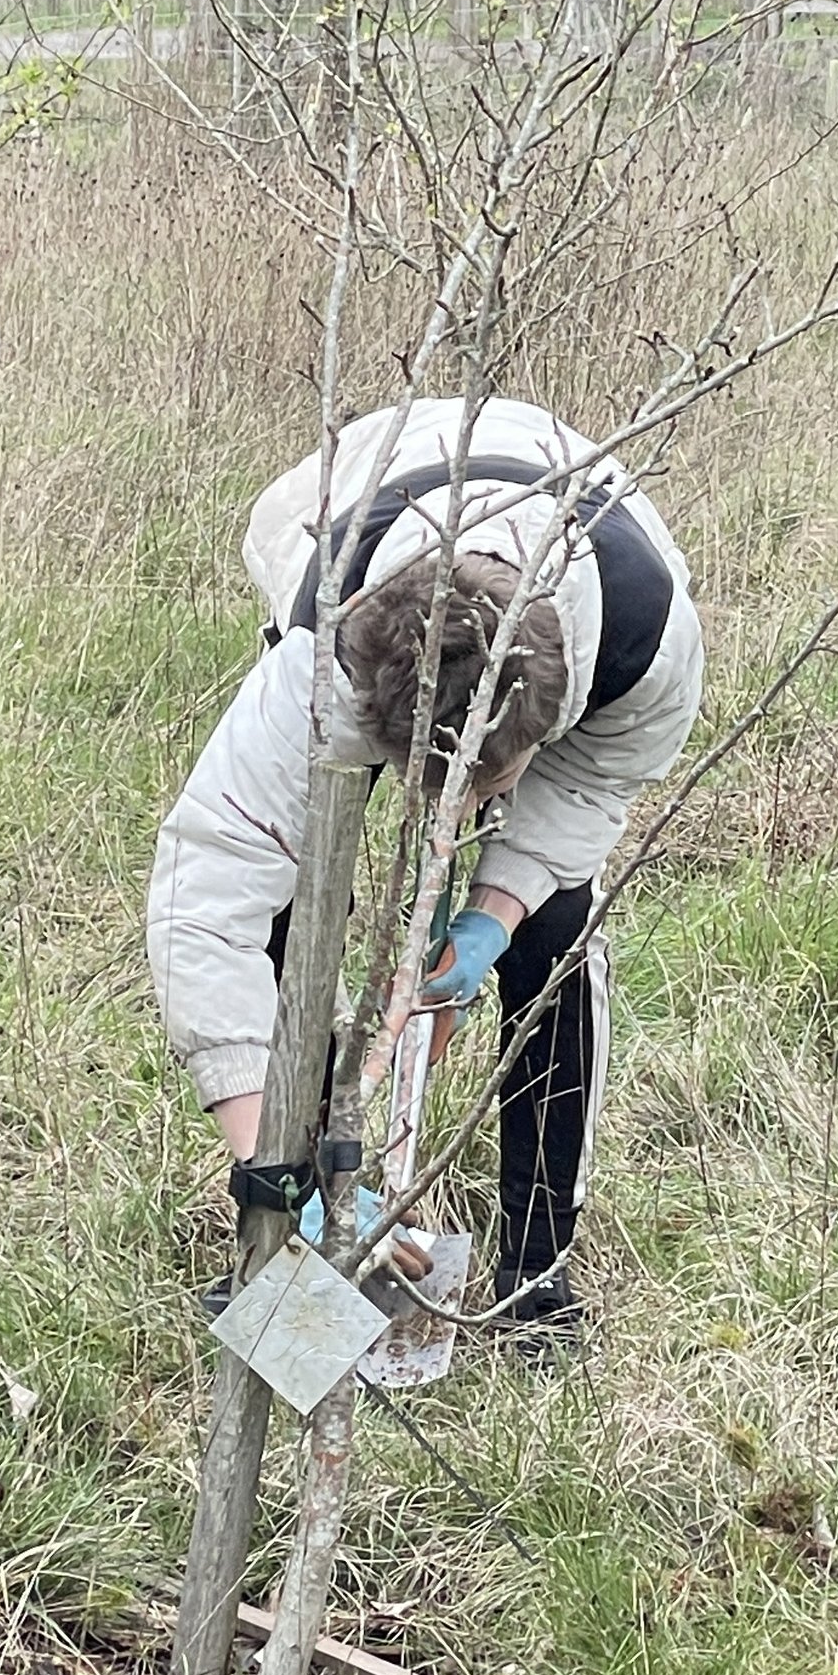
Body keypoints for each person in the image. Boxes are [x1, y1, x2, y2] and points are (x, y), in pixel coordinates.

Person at [147, 397, 703, 1334]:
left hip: (575, 585)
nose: (448, 806)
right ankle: (290, 1236)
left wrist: (495, 914)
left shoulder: (644, 638)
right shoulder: (325, 653)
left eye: (480, 783)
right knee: (290, 906)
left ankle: (536, 1270)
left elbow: (596, 784)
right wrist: (267, 1167)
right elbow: (207, 892)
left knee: (560, 933)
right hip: (374, 512)